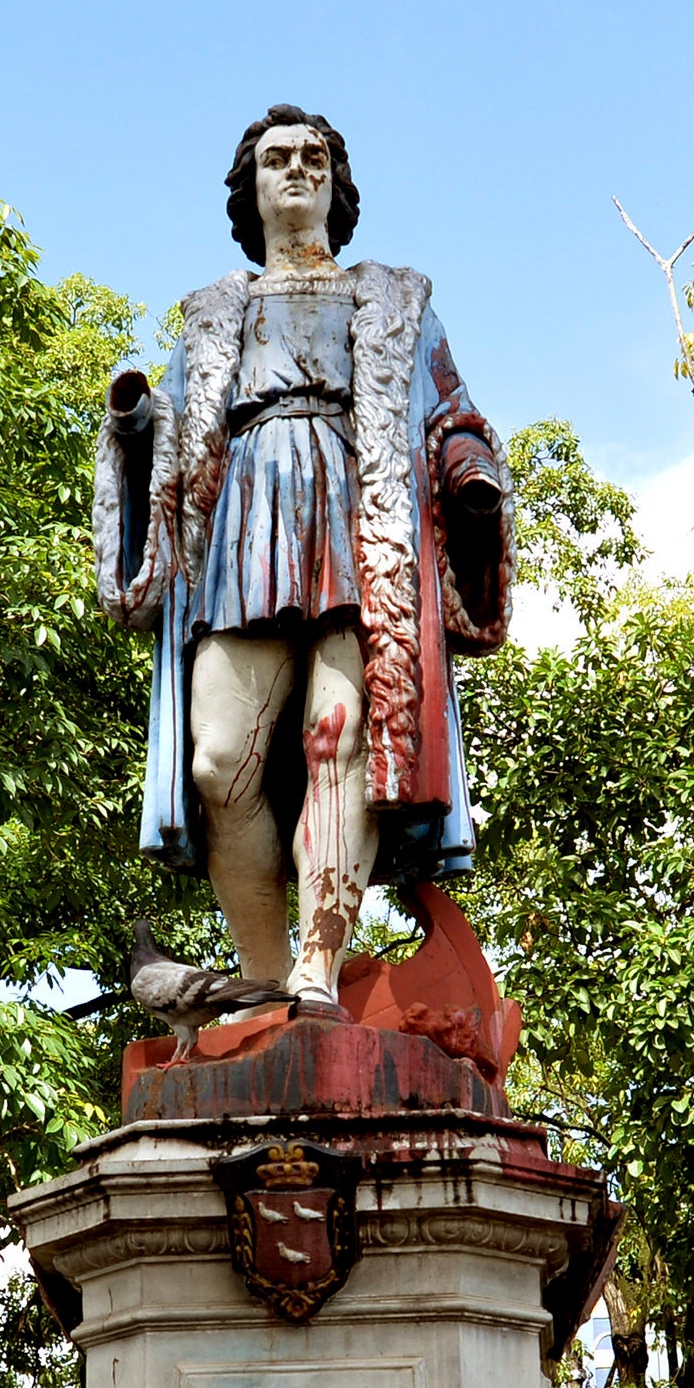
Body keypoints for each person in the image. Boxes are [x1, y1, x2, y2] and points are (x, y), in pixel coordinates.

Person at [97, 106, 513, 1011]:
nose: (297, 170)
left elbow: (454, 418)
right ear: (248, 187)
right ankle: (264, 973)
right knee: (219, 760)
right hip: (242, 523)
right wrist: (133, 426)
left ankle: (320, 969)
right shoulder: (213, 314)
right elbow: (164, 441)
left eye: (314, 157)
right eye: (276, 159)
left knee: (341, 738)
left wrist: (471, 472)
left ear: (337, 181)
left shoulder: (397, 301)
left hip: (360, 526)